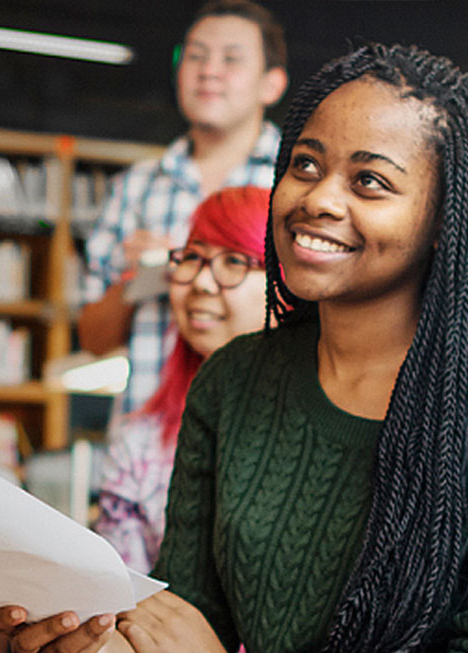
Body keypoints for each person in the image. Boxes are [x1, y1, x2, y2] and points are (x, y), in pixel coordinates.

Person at [0, 43, 468, 653]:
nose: (318, 198)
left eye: (369, 181)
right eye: (305, 165)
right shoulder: (235, 378)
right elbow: (186, 623)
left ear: (444, 221)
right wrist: (85, 652)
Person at [77, 0, 287, 418]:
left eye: (231, 59)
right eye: (195, 56)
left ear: (271, 84)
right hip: (149, 433)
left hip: (264, 426)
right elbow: (92, 340)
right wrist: (139, 279)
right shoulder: (135, 187)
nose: (209, 71)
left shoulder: (296, 182)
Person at [94, 185, 270, 574]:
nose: (202, 283)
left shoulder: (323, 434)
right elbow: (118, 593)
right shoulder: (139, 445)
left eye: (234, 261)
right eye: (192, 257)